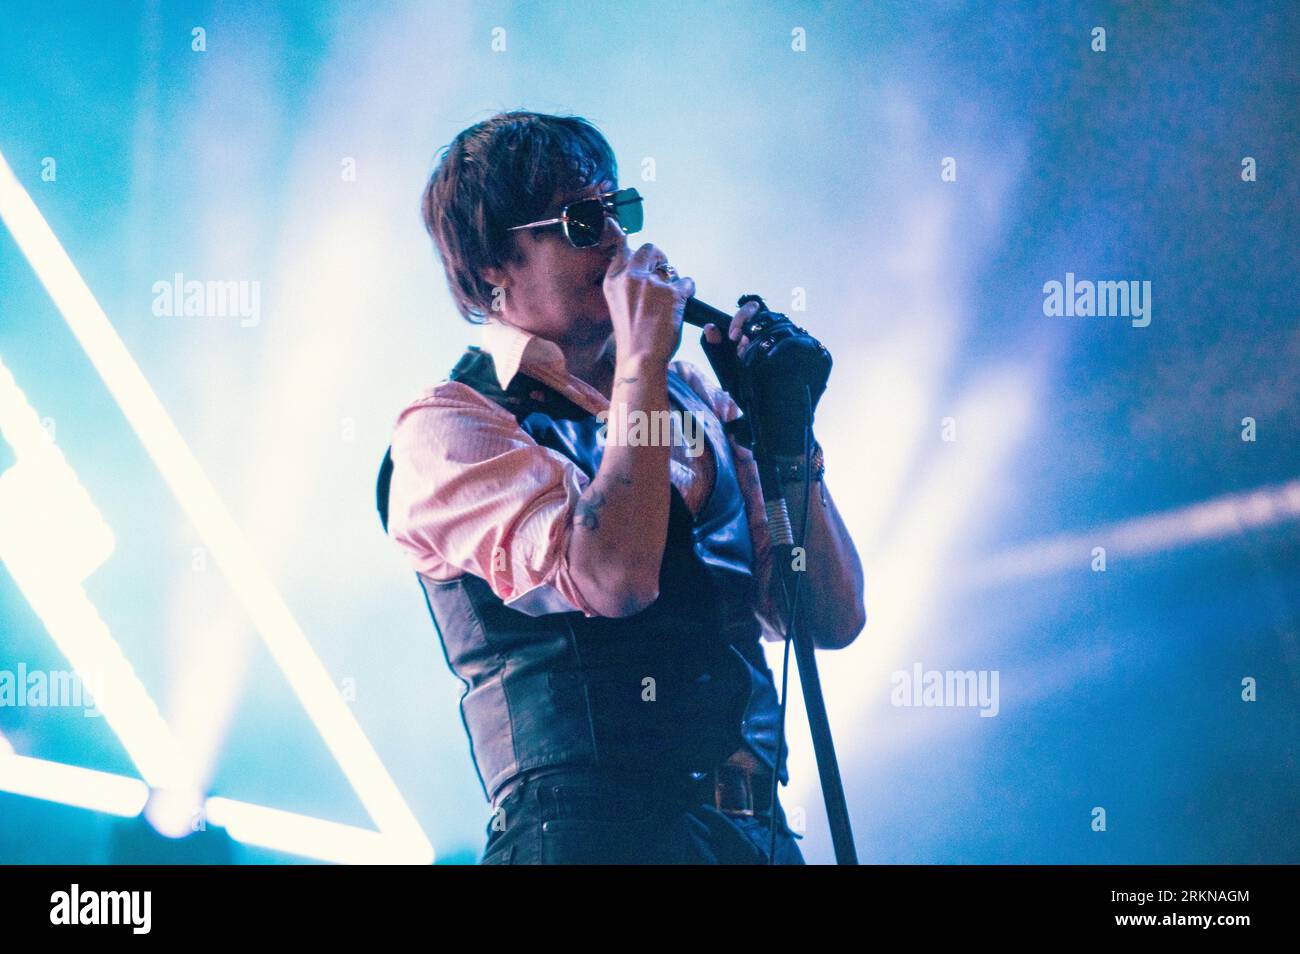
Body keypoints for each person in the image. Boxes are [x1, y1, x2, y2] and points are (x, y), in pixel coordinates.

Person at [378, 111, 866, 864]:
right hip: (588, 833)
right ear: (489, 270)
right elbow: (615, 577)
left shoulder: (693, 397)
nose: (615, 239)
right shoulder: (453, 426)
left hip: (755, 832)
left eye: (617, 209)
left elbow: (828, 618)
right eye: (579, 219)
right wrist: (641, 357)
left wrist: (787, 439)